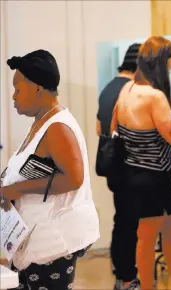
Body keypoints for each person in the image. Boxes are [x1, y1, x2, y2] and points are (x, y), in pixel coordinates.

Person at [0, 49, 100, 290]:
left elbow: (73, 179)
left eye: (18, 88)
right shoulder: (41, 121)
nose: (13, 96)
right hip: (34, 240)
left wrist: (17, 189)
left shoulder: (57, 127)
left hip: (53, 244)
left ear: (37, 88)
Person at [111, 36, 171, 290]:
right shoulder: (154, 97)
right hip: (155, 178)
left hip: (133, 175)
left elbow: (114, 130)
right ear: (160, 63)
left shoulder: (126, 90)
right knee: (168, 235)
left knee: (145, 236)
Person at [96, 43, 142, 290]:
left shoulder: (108, 88)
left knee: (121, 221)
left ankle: (121, 275)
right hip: (128, 167)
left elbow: (98, 128)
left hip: (112, 166)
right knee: (130, 225)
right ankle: (128, 278)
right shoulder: (130, 90)